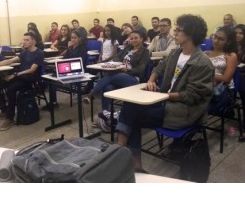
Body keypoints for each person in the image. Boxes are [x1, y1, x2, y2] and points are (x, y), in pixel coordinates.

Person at [116, 14, 214, 172]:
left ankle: (122, 156)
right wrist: (151, 79)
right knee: (129, 106)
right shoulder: (176, 53)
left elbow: (191, 96)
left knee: (131, 116)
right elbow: (159, 68)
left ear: (190, 35)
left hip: (183, 111)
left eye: (178, 30)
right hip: (166, 102)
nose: (174, 33)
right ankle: (127, 159)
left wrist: (164, 96)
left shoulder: (202, 63)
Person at [83, 30, 150, 113]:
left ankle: (91, 94)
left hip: (134, 78)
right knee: (108, 87)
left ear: (141, 39)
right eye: (131, 38)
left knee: (112, 74)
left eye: (136, 38)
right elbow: (116, 57)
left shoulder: (145, 52)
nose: (133, 40)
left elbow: (140, 69)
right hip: (120, 74)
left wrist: (127, 70)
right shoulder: (128, 48)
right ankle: (106, 113)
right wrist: (120, 65)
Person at [0, 31, 44, 131]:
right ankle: (4, 110)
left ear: (33, 41)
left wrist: (14, 75)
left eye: (27, 40)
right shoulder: (25, 52)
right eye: (24, 40)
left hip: (29, 79)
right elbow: (10, 60)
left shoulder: (39, 53)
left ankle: (10, 118)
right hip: (20, 76)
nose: (25, 42)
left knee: (11, 89)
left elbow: (32, 70)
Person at [206, 26, 238, 136]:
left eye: (221, 39)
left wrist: (205, 75)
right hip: (204, 88)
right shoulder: (206, 53)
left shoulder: (230, 56)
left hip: (221, 92)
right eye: (215, 37)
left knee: (193, 104)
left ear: (228, 41)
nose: (216, 40)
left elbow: (226, 79)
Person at [45, 30, 87, 109]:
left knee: (53, 80)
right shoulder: (70, 48)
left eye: (75, 38)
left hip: (76, 70)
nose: (73, 39)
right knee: (50, 76)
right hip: (67, 68)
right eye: (71, 38)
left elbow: (80, 62)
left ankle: (53, 102)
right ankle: (53, 102)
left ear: (79, 38)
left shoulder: (83, 48)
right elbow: (64, 59)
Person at [235, 24, 245, 141]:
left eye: (241, 33)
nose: (238, 35)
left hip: (243, 75)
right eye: (236, 33)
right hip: (233, 74)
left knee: (243, 90)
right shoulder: (231, 46)